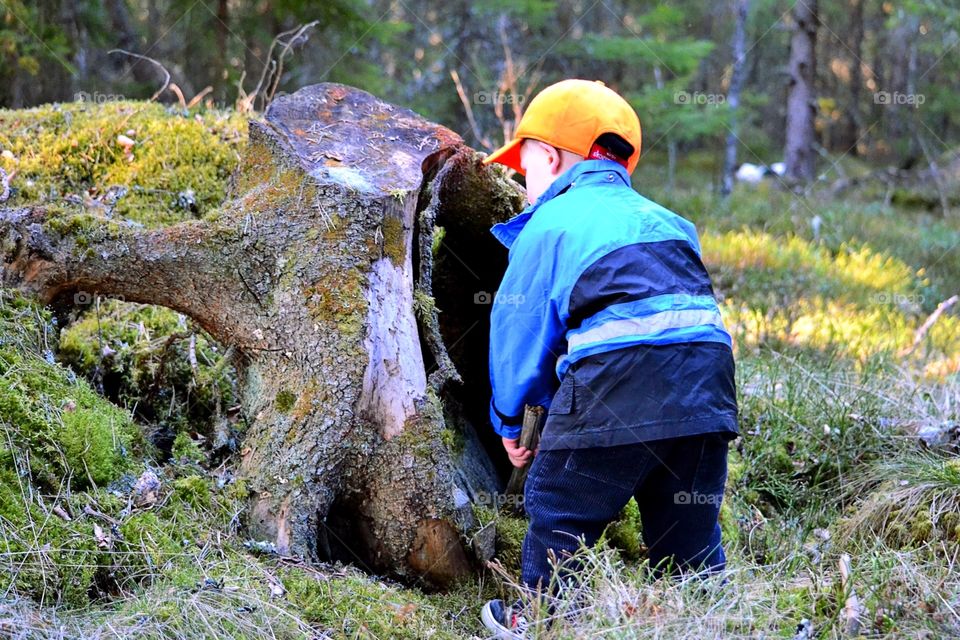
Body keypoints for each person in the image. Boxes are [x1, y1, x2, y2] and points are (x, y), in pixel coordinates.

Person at [478, 79, 739, 638]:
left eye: (526, 173)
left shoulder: (549, 224)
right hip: (707, 393)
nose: (525, 189)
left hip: (612, 389)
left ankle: (543, 619)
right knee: (687, 529)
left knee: (562, 506)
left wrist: (510, 418)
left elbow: (520, 330)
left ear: (548, 157)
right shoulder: (672, 223)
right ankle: (714, 617)